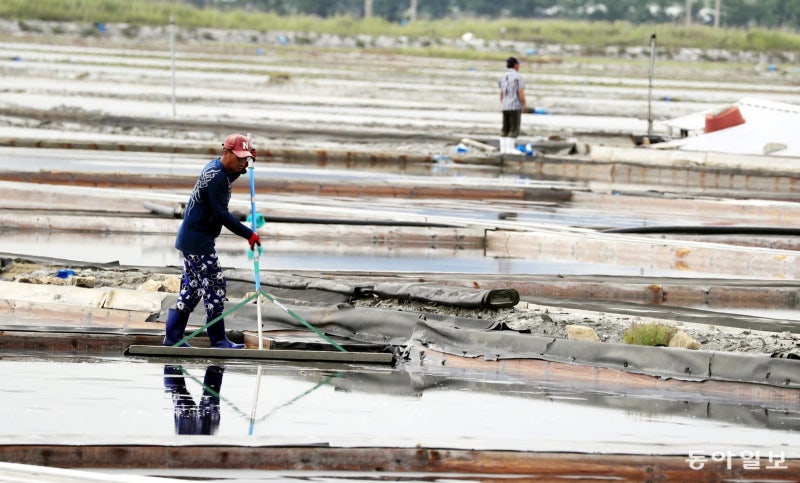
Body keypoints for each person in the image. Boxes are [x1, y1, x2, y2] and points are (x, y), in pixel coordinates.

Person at [163, 133, 261, 349]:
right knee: (216, 286)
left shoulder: (217, 169)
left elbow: (228, 178)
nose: (242, 162)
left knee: (192, 288)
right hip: (198, 241)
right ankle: (218, 340)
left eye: (245, 158)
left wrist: (243, 168)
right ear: (226, 152)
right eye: (239, 158)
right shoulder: (216, 177)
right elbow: (222, 215)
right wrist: (248, 234)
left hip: (192, 238)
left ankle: (173, 338)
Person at [498, 56, 527, 154]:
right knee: (514, 127)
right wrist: (524, 104)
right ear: (515, 65)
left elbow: (501, 93)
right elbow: (520, 92)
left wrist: (502, 103)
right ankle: (510, 149)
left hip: (505, 105)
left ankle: (503, 149)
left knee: (505, 127)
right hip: (515, 105)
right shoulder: (518, 77)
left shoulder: (502, 77)